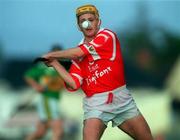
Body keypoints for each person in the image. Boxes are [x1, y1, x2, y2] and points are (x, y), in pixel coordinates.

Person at [42, 4, 153, 140]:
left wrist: (52, 54)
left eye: (91, 19)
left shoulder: (107, 36)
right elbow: (74, 84)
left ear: (98, 22)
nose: (87, 24)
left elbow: (79, 53)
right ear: (79, 27)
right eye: (83, 21)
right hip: (96, 103)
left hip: (122, 99)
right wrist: (54, 63)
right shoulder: (77, 55)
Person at [24, 45, 64, 140]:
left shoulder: (61, 66)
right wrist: (36, 86)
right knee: (58, 130)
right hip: (47, 99)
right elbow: (28, 75)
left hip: (54, 99)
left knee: (40, 132)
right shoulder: (44, 67)